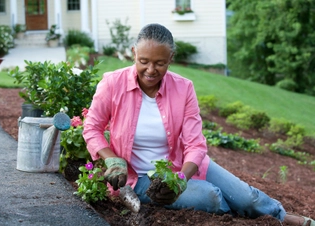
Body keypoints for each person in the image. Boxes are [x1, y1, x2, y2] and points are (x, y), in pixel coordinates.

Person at [83, 23, 314, 226]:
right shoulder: (112, 83)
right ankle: (249, 216)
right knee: (211, 196)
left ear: (171, 59)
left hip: (184, 166)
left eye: (160, 63)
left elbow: (195, 145)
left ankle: (279, 215)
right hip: (141, 178)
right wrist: (111, 159)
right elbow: (92, 127)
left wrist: (180, 181)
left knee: (246, 197)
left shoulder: (184, 88)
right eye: (143, 61)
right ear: (133, 53)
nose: (151, 70)